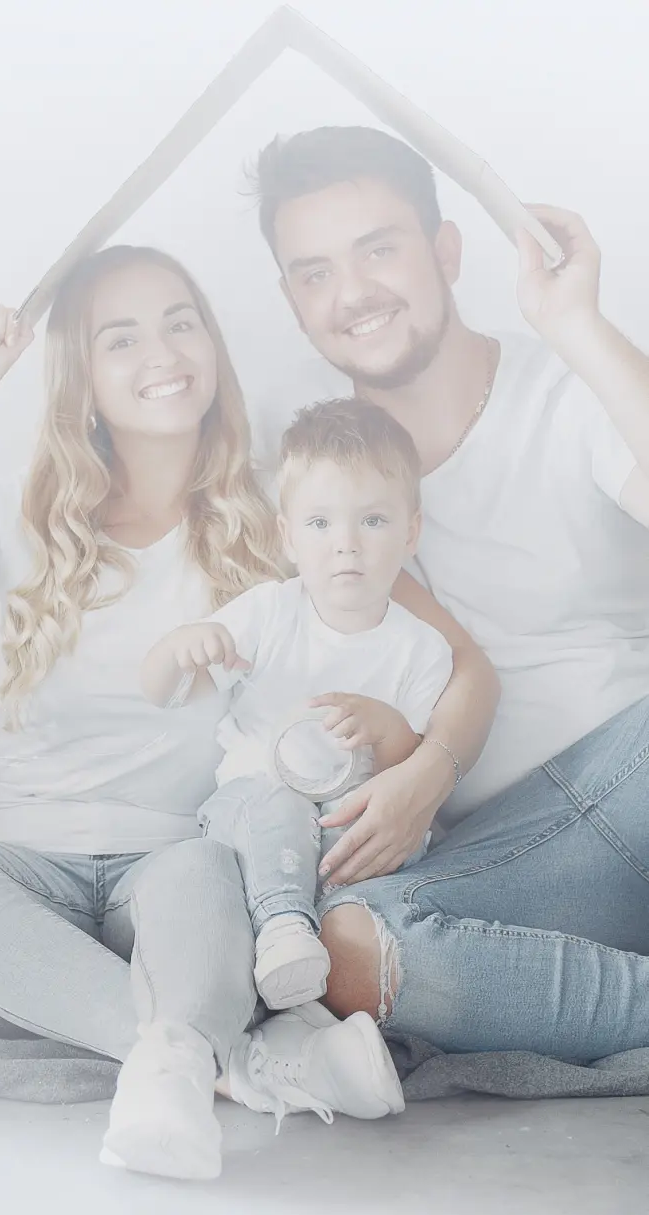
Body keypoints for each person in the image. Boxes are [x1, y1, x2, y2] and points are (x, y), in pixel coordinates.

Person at [0, 243, 491, 1179]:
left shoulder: (284, 513)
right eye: (121, 338)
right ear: (82, 377)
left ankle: (185, 1053)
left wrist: (427, 770)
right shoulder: (19, 509)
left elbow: (466, 668)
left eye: (181, 323)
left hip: (175, 870)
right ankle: (220, 1057)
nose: (163, 352)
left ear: (212, 345)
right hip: (19, 863)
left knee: (207, 869)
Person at [247, 125, 649, 1059]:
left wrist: (578, 324)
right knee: (349, 950)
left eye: (378, 249)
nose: (353, 293)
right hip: (511, 844)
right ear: (291, 298)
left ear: (447, 251)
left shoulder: (563, 388)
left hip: (629, 761)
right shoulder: (303, 452)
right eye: (315, 272)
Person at [141, 398, 453, 1012]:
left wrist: (388, 730)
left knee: (382, 830)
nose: (346, 545)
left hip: (341, 825)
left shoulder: (423, 648)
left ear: (410, 531)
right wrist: (180, 650)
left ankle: (321, 956)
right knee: (278, 805)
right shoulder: (270, 612)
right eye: (320, 524)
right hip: (252, 808)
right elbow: (160, 691)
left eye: (373, 521)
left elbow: (412, 770)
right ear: (288, 535)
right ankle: (285, 928)